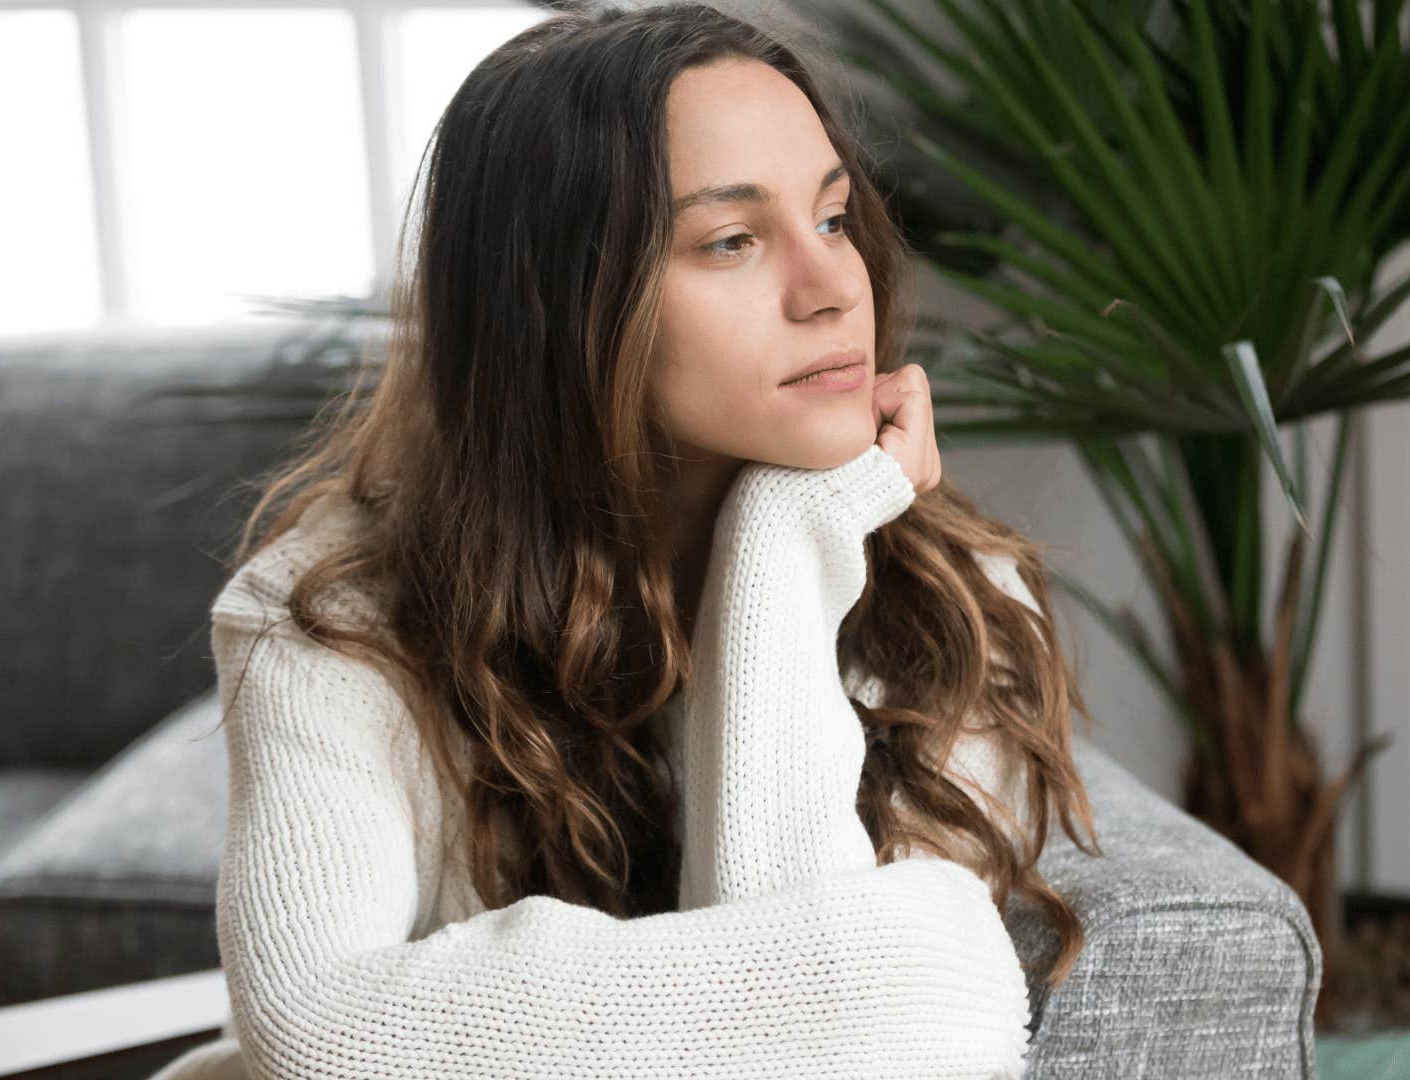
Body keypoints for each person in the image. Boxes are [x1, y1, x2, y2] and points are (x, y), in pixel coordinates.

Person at [150, 3, 1101, 1076]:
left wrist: (784, 553)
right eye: (731, 241)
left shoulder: (954, 599)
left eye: (833, 219)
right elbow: (317, 1035)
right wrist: (916, 972)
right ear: (556, 309)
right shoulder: (328, 620)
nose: (835, 287)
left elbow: (837, 1056)